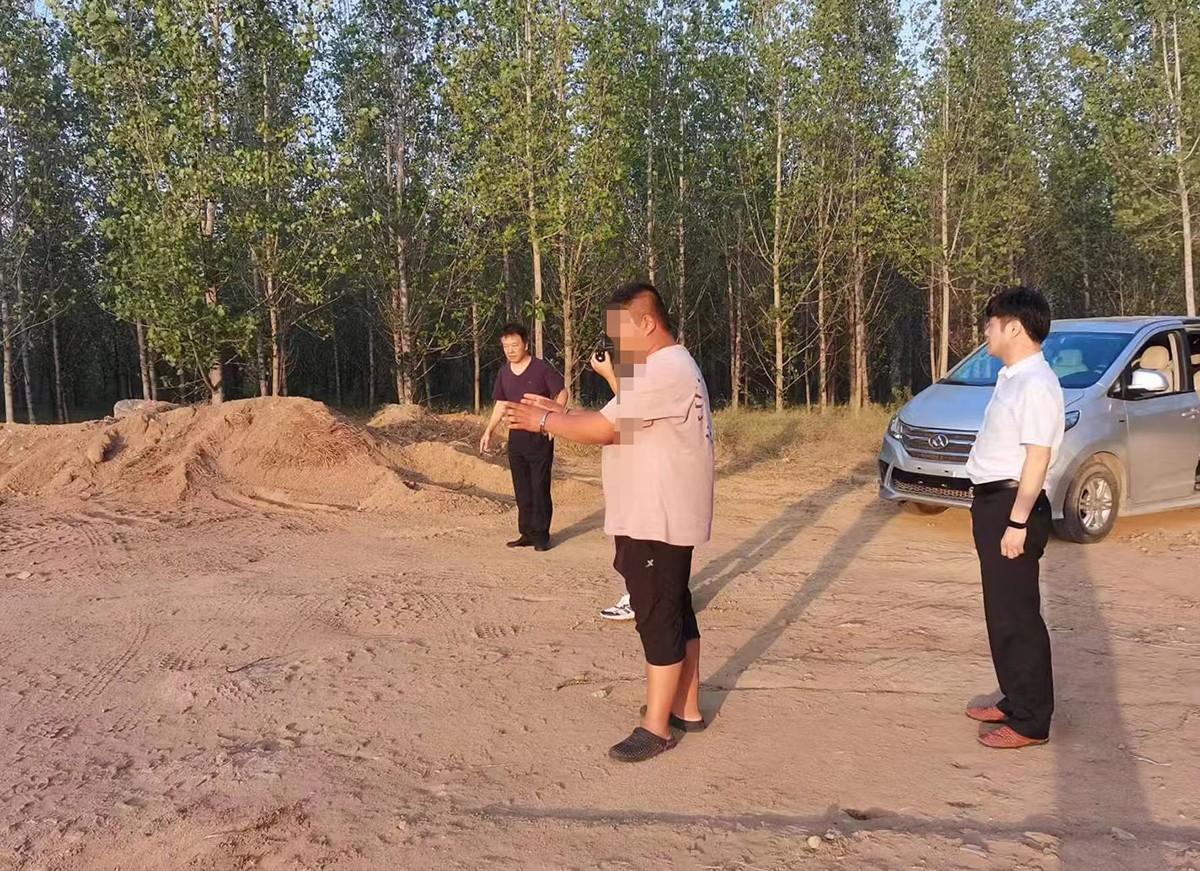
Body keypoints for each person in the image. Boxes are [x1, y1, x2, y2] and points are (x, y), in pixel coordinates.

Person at [506, 282, 715, 763]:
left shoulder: (663, 370)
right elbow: (617, 419)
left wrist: (544, 423)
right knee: (675, 608)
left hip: (655, 517)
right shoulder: (671, 367)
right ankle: (685, 707)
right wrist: (560, 412)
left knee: (656, 616)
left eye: (620, 332)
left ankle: (656, 727)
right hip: (663, 513)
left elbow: (604, 430)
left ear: (647, 324)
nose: (615, 343)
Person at [963, 286, 1064, 749]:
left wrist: (1018, 523)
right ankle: (1015, 697)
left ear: (1014, 328)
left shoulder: (1036, 384)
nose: (986, 331)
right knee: (1001, 611)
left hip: (1012, 506)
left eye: (991, 324)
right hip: (994, 503)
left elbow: (1038, 459)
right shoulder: (1013, 378)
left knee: (1017, 616)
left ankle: (1031, 721)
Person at [479, 324, 568, 552]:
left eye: (514, 345)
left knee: (539, 486)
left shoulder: (541, 369)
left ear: (526, 344)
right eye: (506, 346)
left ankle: (541, 536)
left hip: (539, 434)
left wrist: (554, 419)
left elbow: (562, 393)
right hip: (516, 437)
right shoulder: (504, 372)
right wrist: (488, 431)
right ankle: (526, 533)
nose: (510, 350)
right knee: (522, 488)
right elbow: (501, 403)